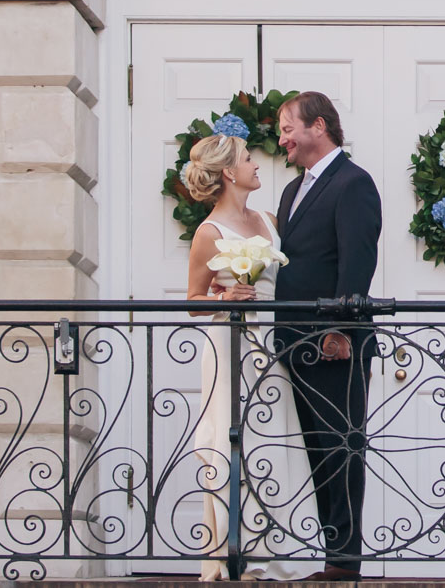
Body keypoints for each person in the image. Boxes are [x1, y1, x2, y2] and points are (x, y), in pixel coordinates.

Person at [182, 133, 313, 582]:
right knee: (234, 437)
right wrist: (226, 297)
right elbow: (193, 300)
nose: (256, 164)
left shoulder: (269, 218)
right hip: (231, 345)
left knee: (274, 437)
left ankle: (277, 549)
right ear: (227, 173)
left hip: (273, 343)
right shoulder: (209, 232)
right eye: (247, 158)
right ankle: (239, 548)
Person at [272, 91, 381, 582]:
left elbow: (357, 262)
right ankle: (333, 552)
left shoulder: (353, 183)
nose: (282, 139)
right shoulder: (292, 191)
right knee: (319, 453)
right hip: (295, 343)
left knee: (342, 449)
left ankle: (345, 562)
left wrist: (339, 329)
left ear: (319, 126)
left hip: (335, 346)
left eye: (288, 127)